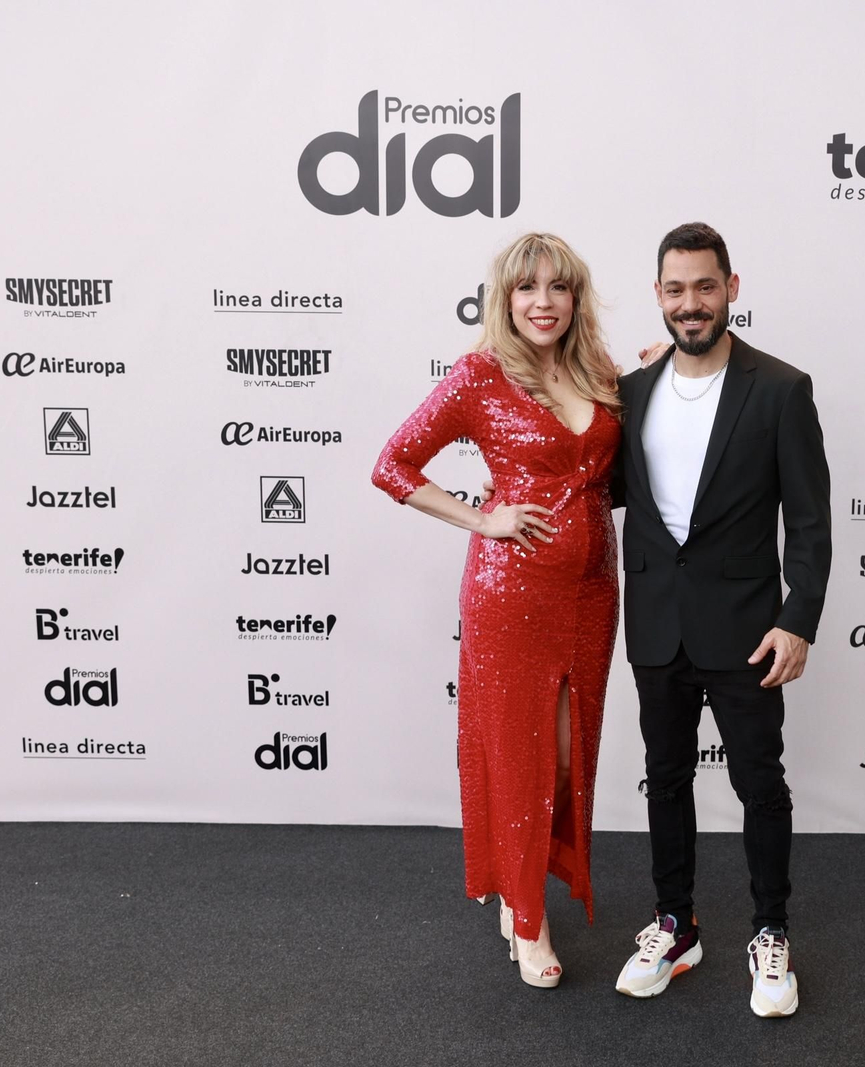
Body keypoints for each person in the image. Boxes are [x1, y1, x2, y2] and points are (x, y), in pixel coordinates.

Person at [370, 233, 622, 989]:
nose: (542, 302)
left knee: (571, 756)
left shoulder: (599, 373)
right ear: (505, 299)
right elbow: (392, 465)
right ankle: (527, 916)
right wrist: (483, 520)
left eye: (557, 288)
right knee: (522, 755)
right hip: (510, 596)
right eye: (526, 289)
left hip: (592, 593)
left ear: (576, 298)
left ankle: (520, 881)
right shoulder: (479, 376)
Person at [611, 222, 832, 1017]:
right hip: (657, 623)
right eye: (675, 289)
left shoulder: (780, 389)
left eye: (705, 286)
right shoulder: (630, 393)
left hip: (745, 625)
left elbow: (808, 521)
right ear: (659, 297)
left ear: (731, 288)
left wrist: (798, 617)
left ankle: (770, 933)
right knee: (664, 778)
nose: (690, 303)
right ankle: (677, 925)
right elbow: (601, 489)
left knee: (759, 783)